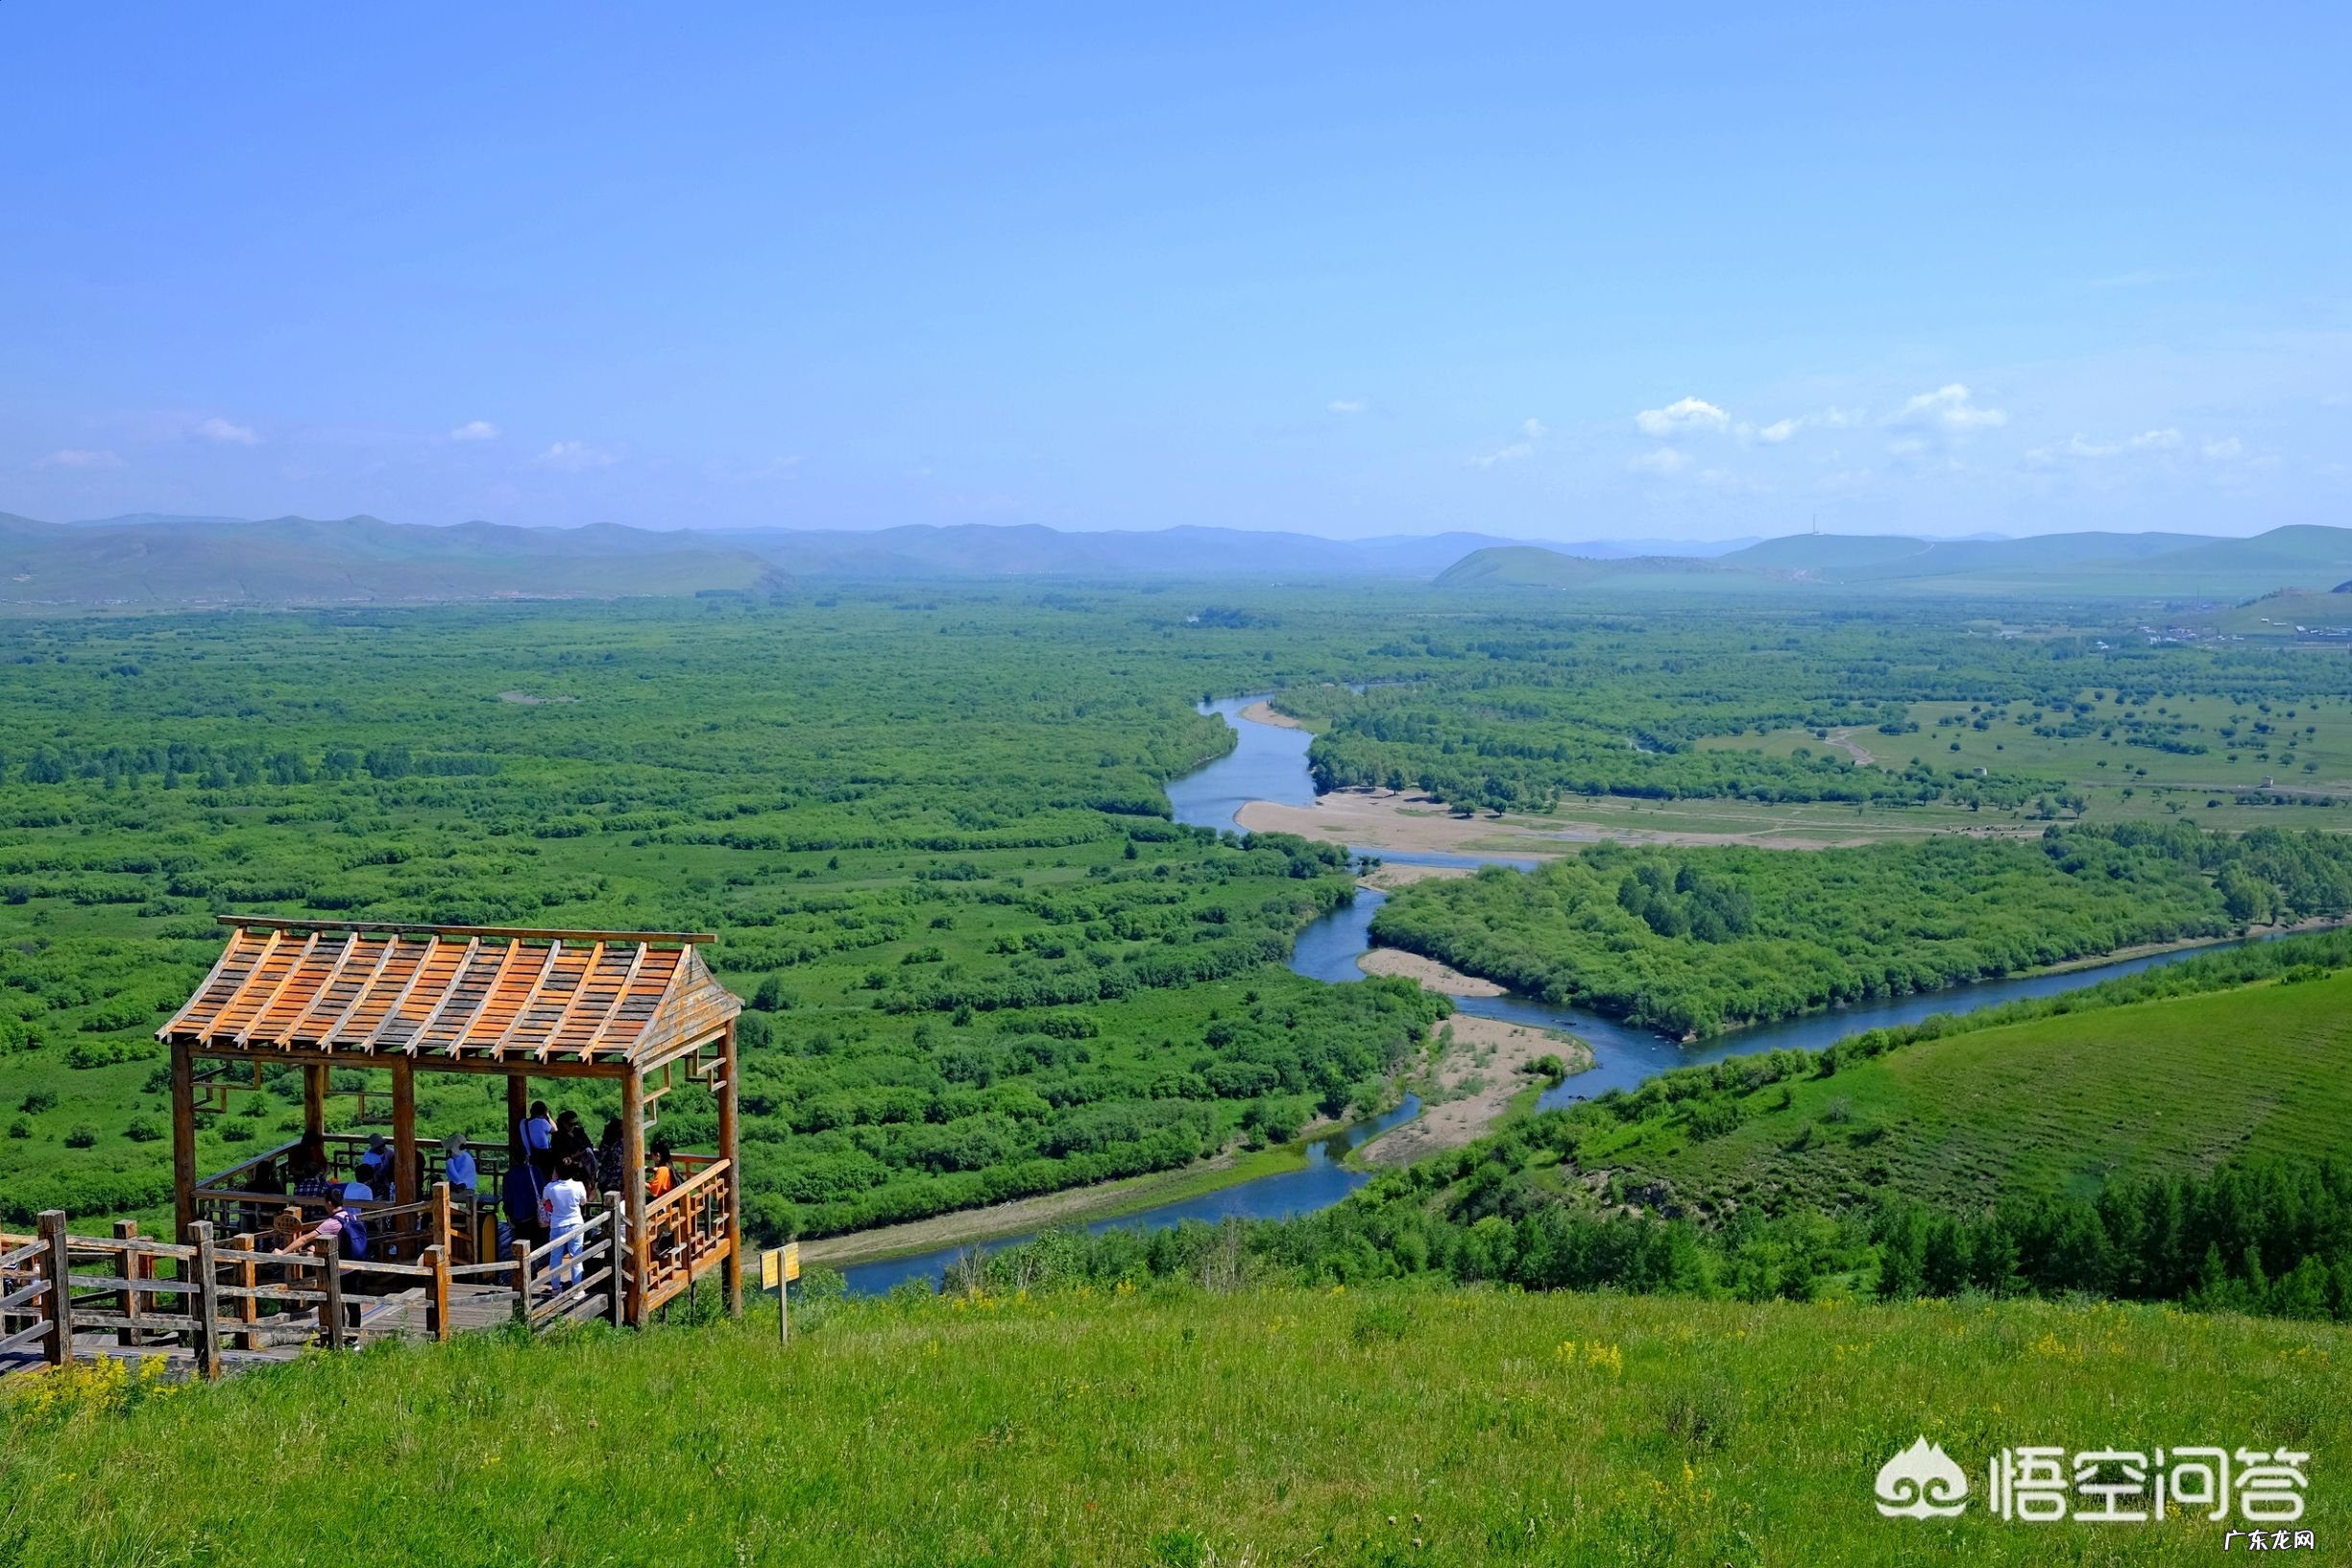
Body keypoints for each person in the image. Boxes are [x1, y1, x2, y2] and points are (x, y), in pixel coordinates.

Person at [539, 1153, 591, 1294]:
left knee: (555, 1258)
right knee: (576, 1257)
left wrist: (553, 1179)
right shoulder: (578, 1185)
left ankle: (555, 1289)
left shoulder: (550, 1187)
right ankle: (577, 1290)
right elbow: (583, 1202)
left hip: (557, 1225)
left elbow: (544, 1201)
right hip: (575, 1223)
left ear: (557, 1171)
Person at [503, 1151, 547, 1250]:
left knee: (521, 1248)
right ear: (527, 1158)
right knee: (537, 1246)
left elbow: (507, 1199)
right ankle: (536, 1264)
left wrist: (508, 1215)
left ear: (513, 1159)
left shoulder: (508, 1176)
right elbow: (544, 1190)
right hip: (536, 1215)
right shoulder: (535, 1171)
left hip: (519, 1218)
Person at [442, 1131, 478, 1196]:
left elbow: (457, 1180)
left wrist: (450, 1164)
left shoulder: (466, 1159)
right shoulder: (456, 1156)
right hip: (457, 1188)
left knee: (442, 1197)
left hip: (467, 1190)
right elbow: (449, 1175)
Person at [595, 1117, 624, 1194]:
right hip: (609, 1180)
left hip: (618, 1180)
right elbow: (602, 1158)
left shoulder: (621, 1143)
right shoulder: (607, 1144)